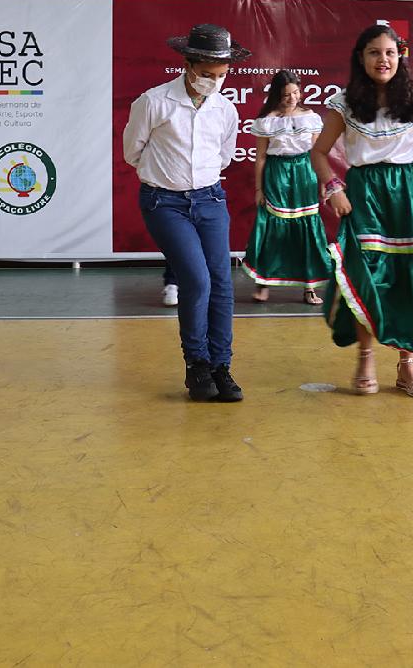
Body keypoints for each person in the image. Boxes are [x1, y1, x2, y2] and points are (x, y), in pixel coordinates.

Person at [310, 24, 413, 398]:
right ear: (361, 58)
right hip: (364, 193)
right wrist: (334, 188)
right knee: (365, 275)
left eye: (390, 52)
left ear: (400, 57)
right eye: (375, 52)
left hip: (407, 196)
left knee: (411, 277)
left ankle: (407, 364)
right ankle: (365, 358)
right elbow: (319, 152)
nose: (383, 59)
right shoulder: (345, 103)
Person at [123, 24, 248, 403]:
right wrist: (167, 177)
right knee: (197, 279)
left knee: (222, 283)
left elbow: (224, 155)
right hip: (165, 203)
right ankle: (197, 363)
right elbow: (132, 151)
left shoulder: (225, 109)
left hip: (211, 199)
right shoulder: (154, 102)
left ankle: (221, 366)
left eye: (222, 75)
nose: (215, 82)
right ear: (188, 65)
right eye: (207, 74)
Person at [242, 70, 333, 304]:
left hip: (305, 174)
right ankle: (264, 283)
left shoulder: (310, 117)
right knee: (273, 228)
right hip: (277, 175)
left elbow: (318, 153)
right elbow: (261, 157)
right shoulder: (267, 120)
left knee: (308, 228)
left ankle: (309, 287)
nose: (292, 98)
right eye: (286, 95)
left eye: (295, 92)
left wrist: (324, 182)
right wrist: (259, 189)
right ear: (276, 95)